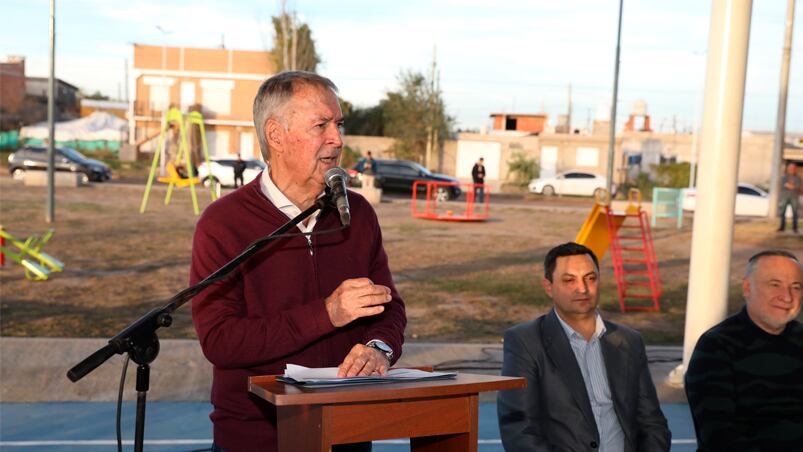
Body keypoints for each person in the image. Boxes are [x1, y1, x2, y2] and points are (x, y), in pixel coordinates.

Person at [190, 71, 407, 452]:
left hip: (348, 433)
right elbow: (221, 340)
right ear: (276, 135)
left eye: (338, 125)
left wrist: (379, 348)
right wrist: (326, 314)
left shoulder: (357, 213)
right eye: (321, 125)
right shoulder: (224, 222)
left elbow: (389, 307)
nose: (337, 140)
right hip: (257, 438)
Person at [498, 242, 670, 451]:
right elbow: (519, 429)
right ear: (548, 287)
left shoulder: (629, 341)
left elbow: (652, 422)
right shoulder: (525, 342)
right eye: (569, 280)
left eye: (590, 278)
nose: (583, 288)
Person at [685, 250, 803, 451]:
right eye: (775, 285)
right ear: (747, 288)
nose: (787, 297)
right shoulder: (717, 346)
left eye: (796, 287)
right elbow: (719, 436)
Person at [778, 161, 800, 233]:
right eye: (791, 168)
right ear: (788, 168)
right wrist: (791, 186)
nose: (792, 169)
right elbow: (783, 185)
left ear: (795, 169)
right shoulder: (784, 177)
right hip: (784, 197)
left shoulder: (798, 178)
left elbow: (798, 186)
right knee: (782, 212)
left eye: (794, 168)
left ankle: (795, 228)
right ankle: (782, 227)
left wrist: (789, 185)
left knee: (795, 213)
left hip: (794, 197)